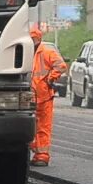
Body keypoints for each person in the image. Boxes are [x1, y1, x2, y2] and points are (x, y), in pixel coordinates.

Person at [28, 25, 67, 165]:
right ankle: (36, 150)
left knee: (43, 126)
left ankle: (42, 155)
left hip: (43, 95)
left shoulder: (46, 51)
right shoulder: (26, 51)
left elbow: (61, 66)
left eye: (33, 38)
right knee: (32, 125)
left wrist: (51, 78)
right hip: (29, 96)